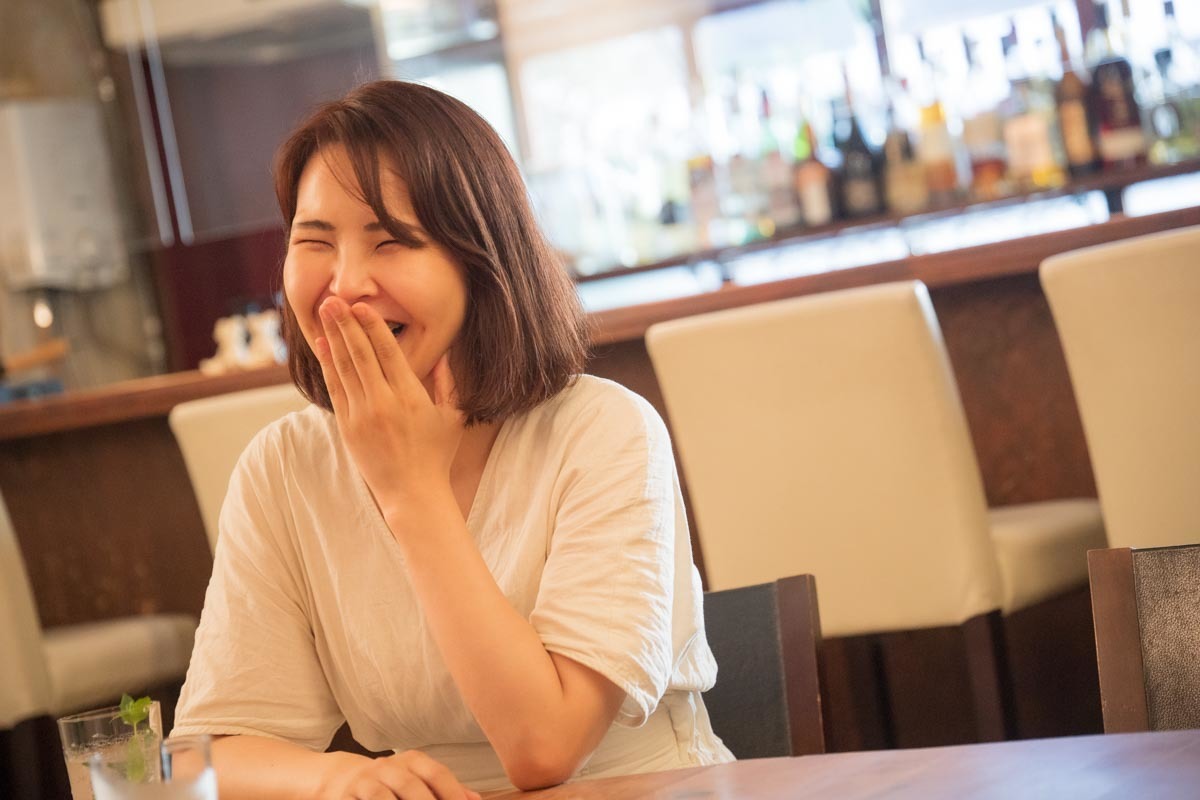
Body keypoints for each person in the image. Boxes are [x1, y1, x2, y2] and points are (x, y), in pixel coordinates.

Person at [170, 80, 733, 800]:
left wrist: (409, 489)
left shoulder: (606, 433)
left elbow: (544, 749)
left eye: (391, 243)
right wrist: (337, 778)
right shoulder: (284, 467)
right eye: (315, 241)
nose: (342, 287)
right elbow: (202, 760)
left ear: (483, 264)